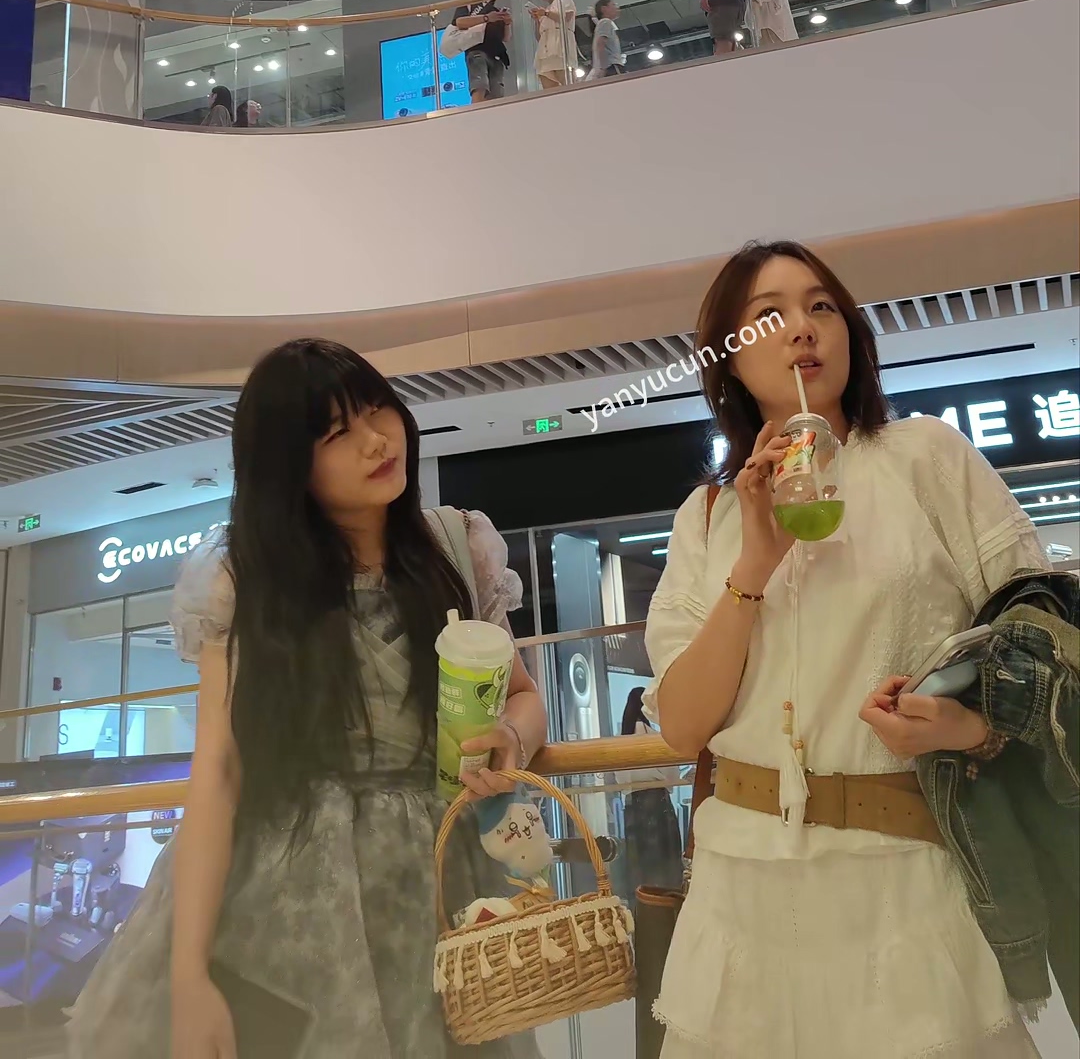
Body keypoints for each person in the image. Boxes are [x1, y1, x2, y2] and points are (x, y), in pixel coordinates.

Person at [68, 339, 546, 1059]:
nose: (376, 440)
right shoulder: (245, 582)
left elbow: (525, 697)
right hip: (290, 889)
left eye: (377, 409)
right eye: (336, 434)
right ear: (290, 468)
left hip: (437, 875)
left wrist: (512, 737)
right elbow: (219, 771)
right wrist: (188, 974)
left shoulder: (456, 548)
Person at [645, 239, 1048, 1059]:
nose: (803, 328)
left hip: (903, 869)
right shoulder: (709, 515)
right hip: (743, 882)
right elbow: (684, 726)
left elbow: (1038, 637)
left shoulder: (925, 457)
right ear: (729, 361)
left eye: (822, 306)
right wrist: (754, 565)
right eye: (769, 315)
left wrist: (971, 725)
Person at [617, 686, 684, 904]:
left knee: (639, 867)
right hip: (658, 801)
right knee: (666, 867)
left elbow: (621, 781)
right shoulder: (656, 737)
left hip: (633, 803)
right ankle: (667, 911)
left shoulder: (619, 742)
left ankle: (642, 912)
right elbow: (672, 776)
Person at [453, 0, 512, 103]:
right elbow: (460, 22)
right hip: (477, 50)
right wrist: (486, 18)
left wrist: (507, 23)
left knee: (496, 94)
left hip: (497, 55)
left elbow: (506, 38)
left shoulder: (495, 11)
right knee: (479, 86)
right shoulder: (469, 5)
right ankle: (476, 112)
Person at [527, 0, 577, 90]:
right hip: (545, 51)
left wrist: (546, 13)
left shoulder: (564, 0)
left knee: (567, 83)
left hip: (560, 48)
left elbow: (566, 18)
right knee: (548, 87)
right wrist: (537, 20)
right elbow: (539, 37)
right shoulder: (546, 10)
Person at [587, 0, 626, 80]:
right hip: (612, 66)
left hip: (609, 66)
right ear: (604, 9)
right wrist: (604, 67)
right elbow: (600, 44)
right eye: (613, 5)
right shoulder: (605, 22)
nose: (617, 7)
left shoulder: (603, 24)